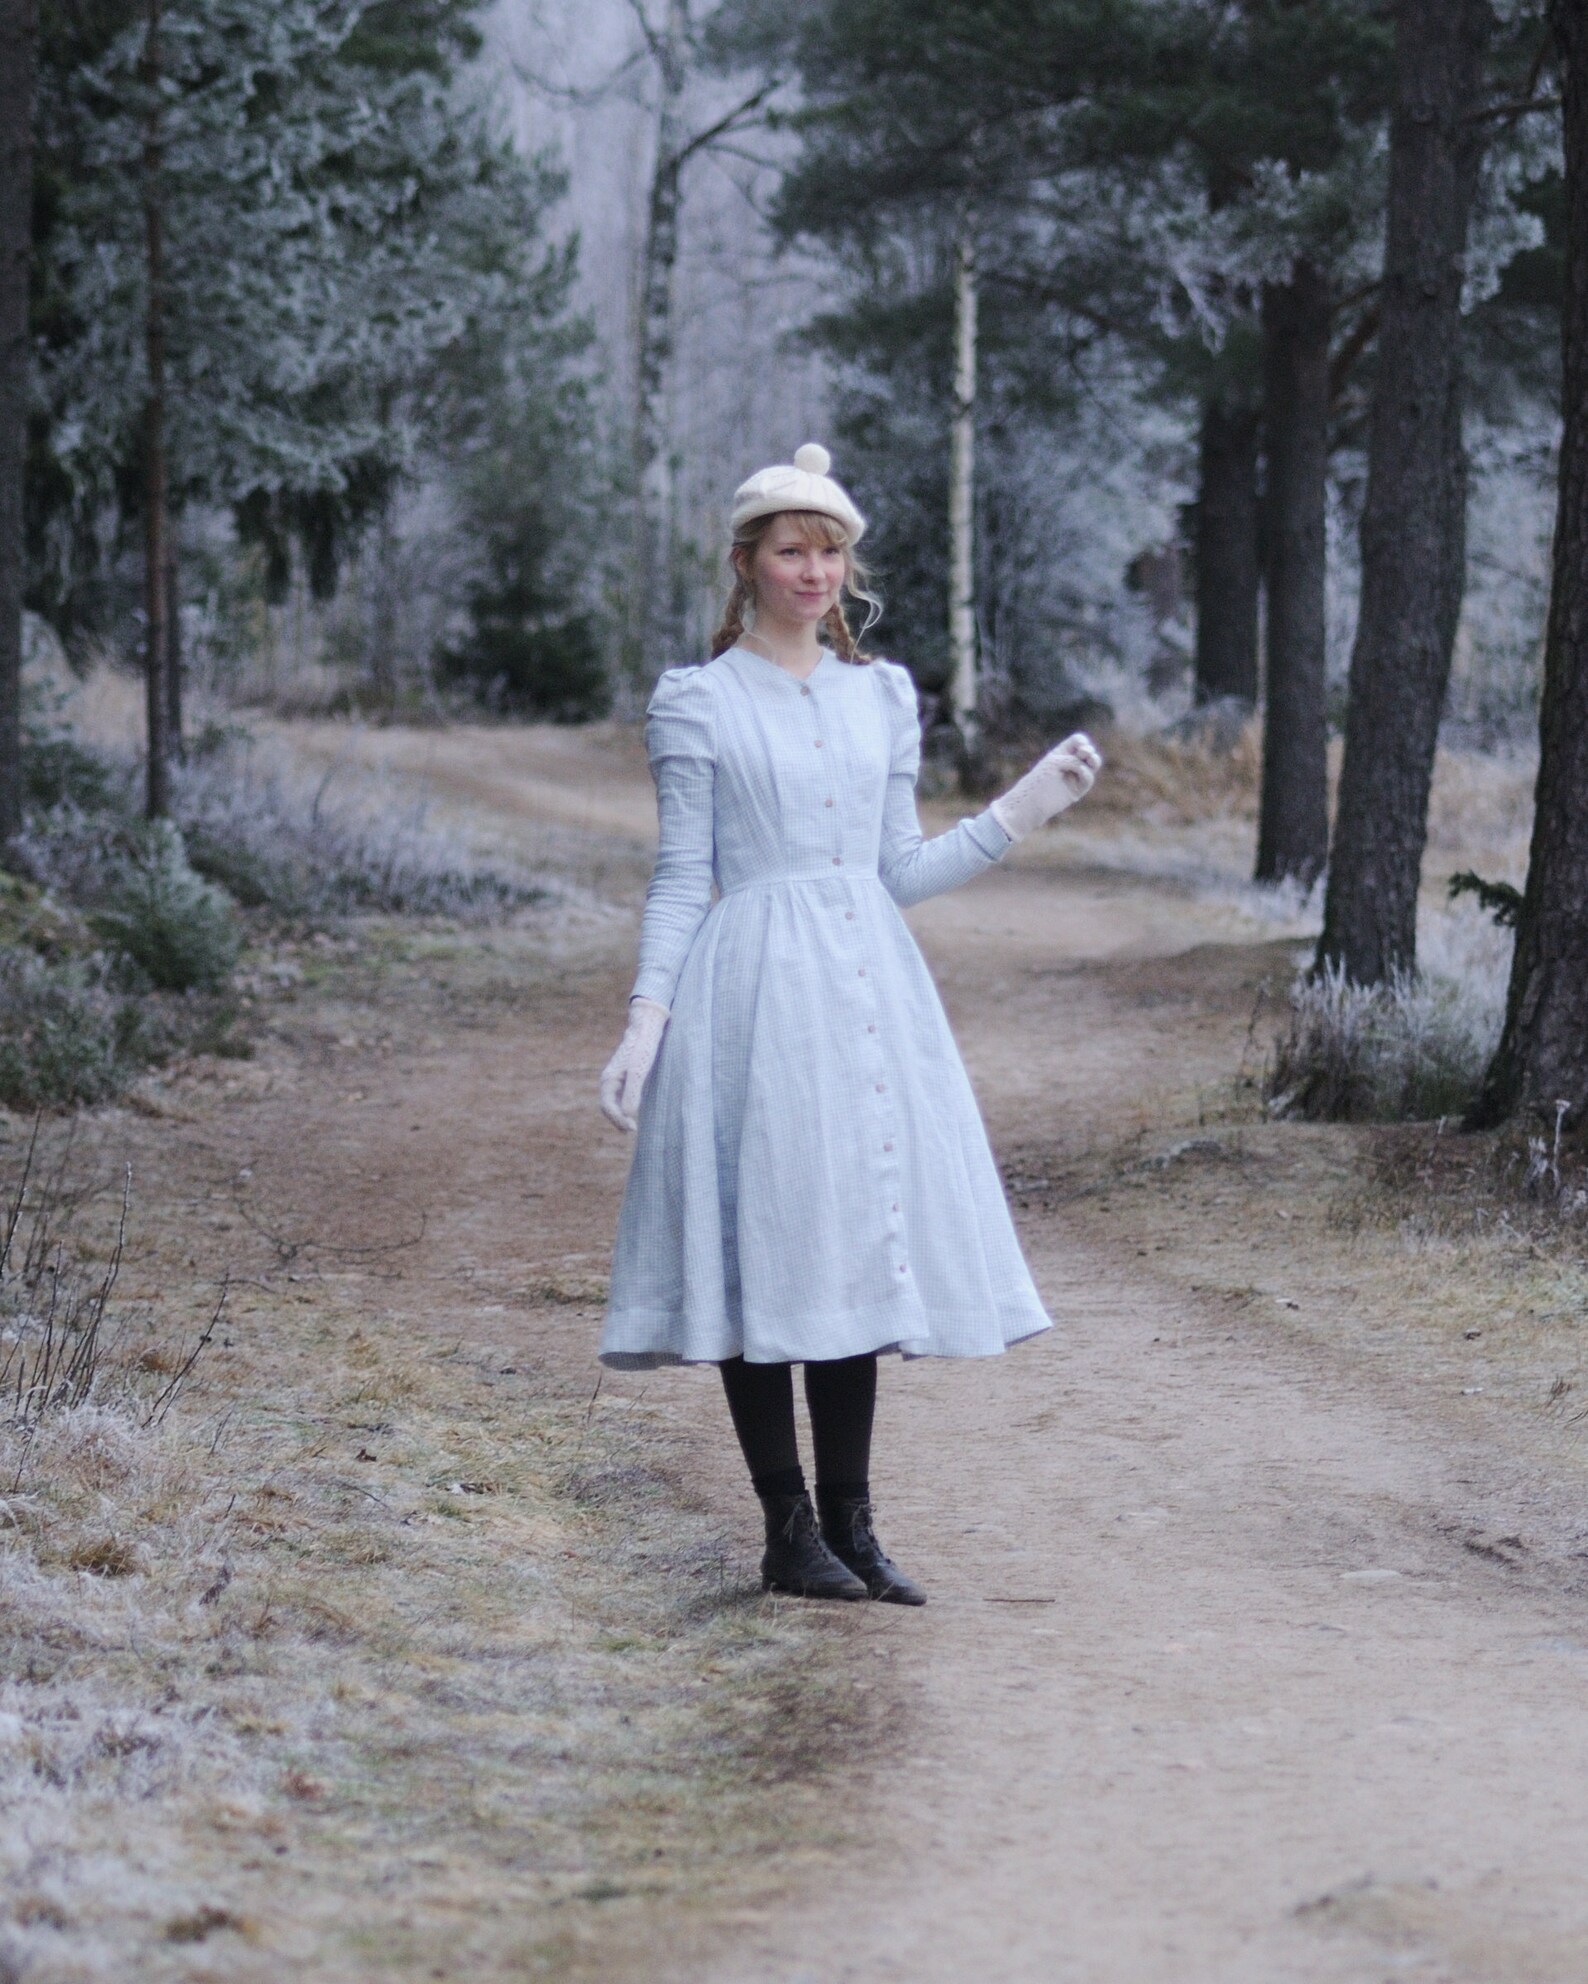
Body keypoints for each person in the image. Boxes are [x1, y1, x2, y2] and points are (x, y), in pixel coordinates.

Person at [598, 443, 1102, 1606]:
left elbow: (896, 872)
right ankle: (786, 1527)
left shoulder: (881, 694)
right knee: (762, 1239)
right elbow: (683, 878)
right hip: (750, 991)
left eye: (829, 549)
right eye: (791, 549)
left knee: (848, 1249)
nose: (815, 570)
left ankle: (853, 1527)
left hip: (866, 990)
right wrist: (644, 1018)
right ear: (746, 563)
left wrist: (1022, 811)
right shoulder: (699, 701)